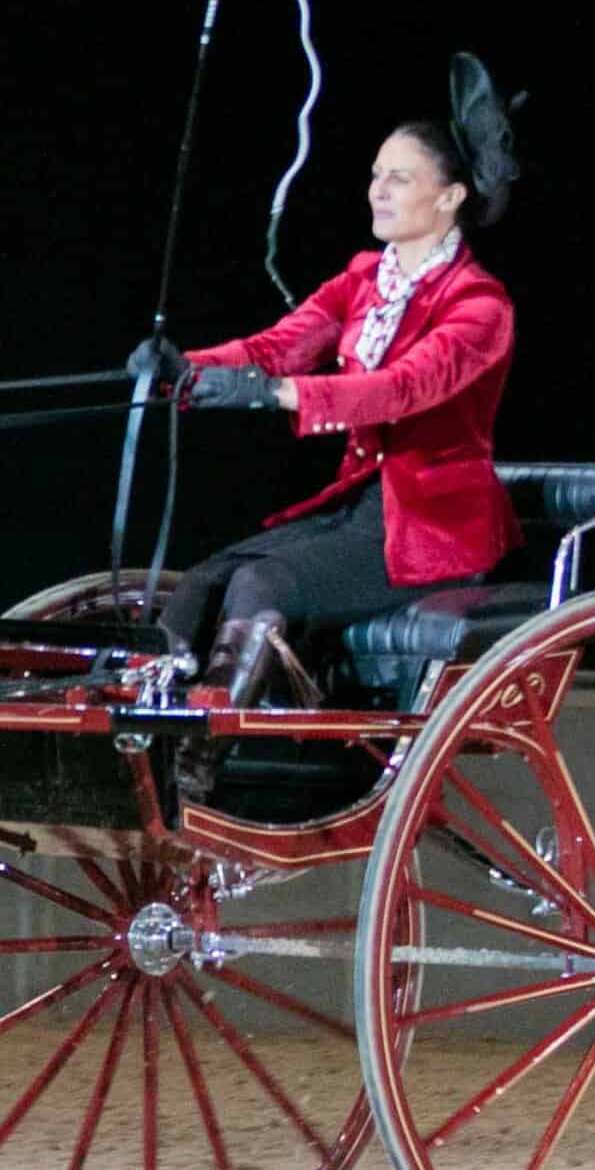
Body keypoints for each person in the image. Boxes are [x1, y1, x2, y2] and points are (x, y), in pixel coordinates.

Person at [132, 55, 525, 789]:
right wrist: (189, 369)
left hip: (432, 523)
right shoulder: (364, 278)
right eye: (377, 173)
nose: (377, 190)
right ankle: (144, 738)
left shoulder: (481, 307)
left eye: (399, 178)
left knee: (265, 581)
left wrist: (278, 395)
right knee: (205, 582)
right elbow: (281, 343)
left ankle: (197, 762)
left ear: (450, 198)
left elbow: (402, 389)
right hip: (360, 508)